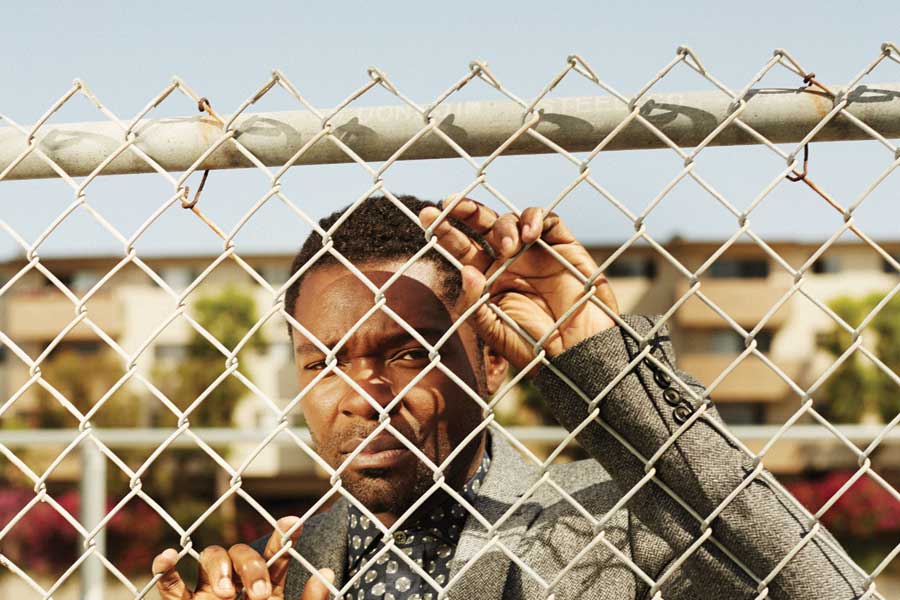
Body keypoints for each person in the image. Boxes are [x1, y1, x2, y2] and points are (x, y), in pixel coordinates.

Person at [152, 195, 869, 600]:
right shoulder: (270, 576)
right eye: (325, 363)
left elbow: (827, 588)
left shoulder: (620, 521)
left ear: (491, 362)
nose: (365, 397)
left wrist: (602, 365)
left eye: (410, 353)